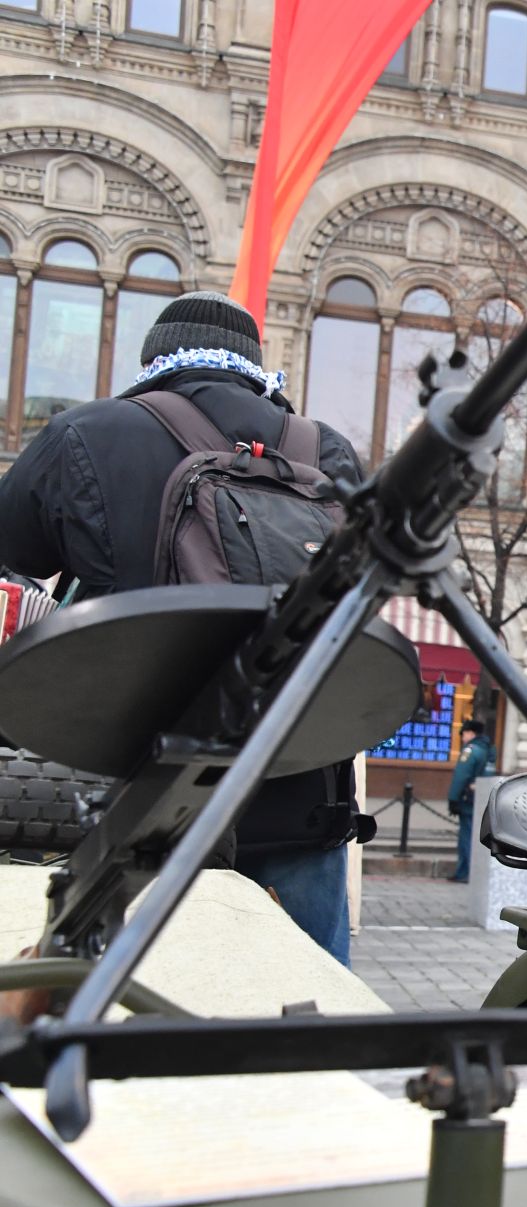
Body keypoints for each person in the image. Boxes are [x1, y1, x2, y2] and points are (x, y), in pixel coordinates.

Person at [0, 291, 370, 964]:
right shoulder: (327, 452)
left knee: (122, 1021)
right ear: (257, 367)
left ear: (154, 359)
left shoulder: (87, 435)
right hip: (299, 796)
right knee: (308, 1017)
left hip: (136, 803)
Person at [447, 717, 495, 883]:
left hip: (468, 801)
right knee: (478, 839)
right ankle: (477, 873)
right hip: (482, 800)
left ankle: (464, 872)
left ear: (470, 733)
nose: (462, 737)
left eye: (464, 733)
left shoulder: (471, 751)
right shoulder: (489, 749)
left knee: (466, 838)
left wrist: (453, 799)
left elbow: (461, 776)